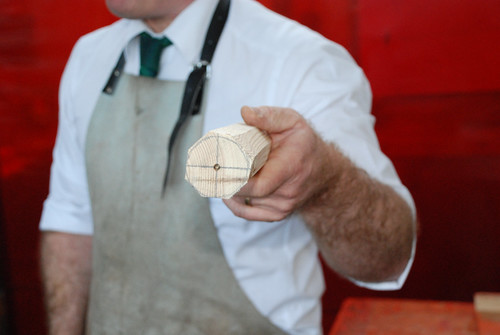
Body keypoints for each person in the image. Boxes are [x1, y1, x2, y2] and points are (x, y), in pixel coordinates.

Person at [39, 0, 416, 334]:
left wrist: (326, 181)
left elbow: (387, 257)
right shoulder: (89, 57)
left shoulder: (301, 62)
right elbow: (71, 220)